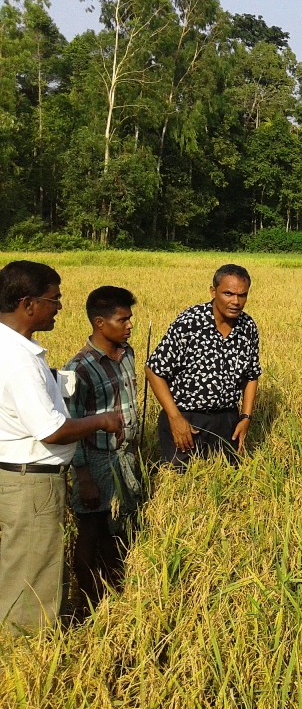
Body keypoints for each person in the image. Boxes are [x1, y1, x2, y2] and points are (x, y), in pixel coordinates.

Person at [0, 261, 122, 633]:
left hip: (17, 476)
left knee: (21, 564)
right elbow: (51, 430)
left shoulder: (17, 349)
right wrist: (102, 421)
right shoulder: (18, 360)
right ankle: (29, 654)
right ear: (28, 303)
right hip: (31, 482)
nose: (59, 308)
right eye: (54, 300)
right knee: (33, 572)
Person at [64, 286, 143, 614]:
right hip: (95, 460)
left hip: (124, 456)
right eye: (122, 319)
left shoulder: (127, 354)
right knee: (91, 530)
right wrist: (84, 477)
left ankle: (115, 590)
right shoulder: (79, 367)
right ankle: (87, 597)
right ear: (99, 323)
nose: (129, 325)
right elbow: (71, 422)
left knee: (120, 527)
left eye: (130, 318)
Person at [146, 264, 261, 470]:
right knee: (180, 483)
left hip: (227, 420)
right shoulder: (190, 322)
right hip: (187, 418)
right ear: (213, 291)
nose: (235, 301)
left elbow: (251, 375)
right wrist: (175, 418)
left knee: (226, 483)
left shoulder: (248, 327)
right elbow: (154, 370)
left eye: (242, 295)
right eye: (228, 293)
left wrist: (245, 418)